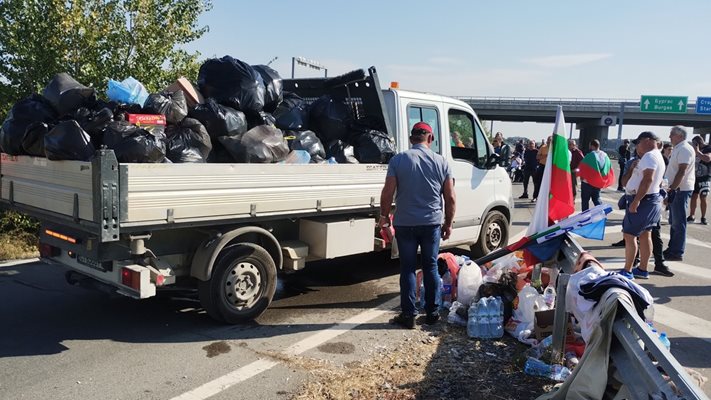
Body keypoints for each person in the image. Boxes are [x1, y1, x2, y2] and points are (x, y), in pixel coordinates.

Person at [379, 121, 456, 329]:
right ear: (430, 139)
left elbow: (387, 192)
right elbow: (450, 198)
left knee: (408, 269)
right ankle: (432, 313)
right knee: (430, 266)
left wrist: (384, 216)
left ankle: (409, 315)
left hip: (405, 223)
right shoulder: (442, 162)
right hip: (431, 224)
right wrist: (448, 223)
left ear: (412, 139)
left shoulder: (398, 160)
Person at [619, 141, 674, 277]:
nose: (636, 148)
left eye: (638, 144)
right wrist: (632, 168)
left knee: (630, 235)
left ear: (646, 142)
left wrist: (636, 201)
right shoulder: (654, 157)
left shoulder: (650, 157)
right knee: (645, 234)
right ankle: (642, 269)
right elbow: (625, 182)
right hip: (651, 200)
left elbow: (648, 179)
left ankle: (627, 270)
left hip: (643, 200)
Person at [663, 126, 695, 262]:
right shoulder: (679, 148)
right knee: (674, 221)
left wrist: (673, 189)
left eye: (672, 135)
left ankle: (677, 251)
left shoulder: (684, 149)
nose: (669, 137)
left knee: (678, 222)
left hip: (680, 190)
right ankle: (673, 248)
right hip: (677, 189)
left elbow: (682, 171)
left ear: (680, 136)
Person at [579, 139, 611, 211]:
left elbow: (583, 167)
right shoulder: (605, 155)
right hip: (598, 182)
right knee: (596, 199)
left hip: (587, 183)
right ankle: (602, 212)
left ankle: (585, 217)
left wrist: (581, 176)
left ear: (592, 146)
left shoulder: (590, 155)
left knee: (585, 201)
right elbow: (608, 167)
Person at [687, 135, 711, 225]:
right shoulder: (694, 150)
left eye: (694, 144)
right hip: (694, 176)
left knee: (703, 197)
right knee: (693, 196)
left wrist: (697, 151)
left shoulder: (708, 148)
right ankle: (691, 215)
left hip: (705, 176)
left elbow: (707, 159)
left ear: (698, 143)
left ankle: (703, 217)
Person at [533, 136, 551, 202]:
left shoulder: (556, 148)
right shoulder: (543, 147)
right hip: (543, 166)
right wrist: (546, 155)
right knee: (538, 182)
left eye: (551, 140)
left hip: (551, 168)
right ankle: (535, 196)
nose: (550, 142)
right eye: (549, 140)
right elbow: (537, 157)